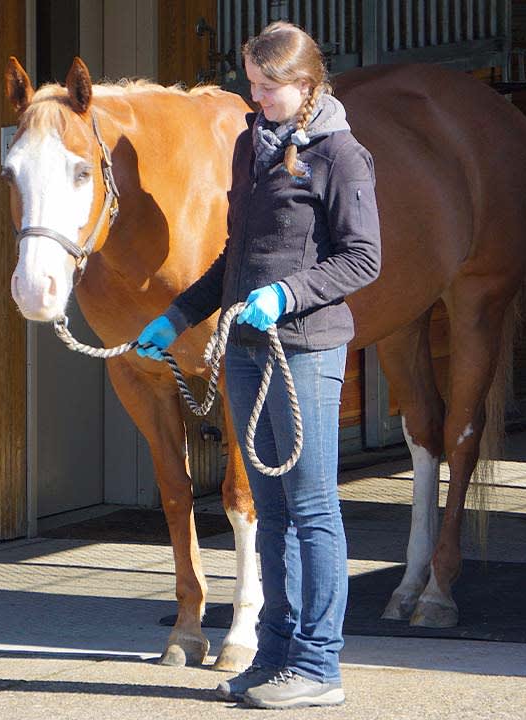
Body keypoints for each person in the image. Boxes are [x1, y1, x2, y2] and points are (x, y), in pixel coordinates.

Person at [136, 21, 381, 710]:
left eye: (269, 87)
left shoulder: (341, 155)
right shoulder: (252, 146)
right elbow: (233, 256)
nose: (257, 97)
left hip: (304, 348)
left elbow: (364, 258)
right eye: (252, 83)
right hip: (245, 349)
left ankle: (319, 664)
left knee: (312, 509)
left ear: (305, 84)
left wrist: (287, 295)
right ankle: (273, 655)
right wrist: (178, 317)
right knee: (269, 512)